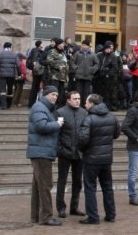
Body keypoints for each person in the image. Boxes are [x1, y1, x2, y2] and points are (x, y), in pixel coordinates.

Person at [77, 94, 121, 225]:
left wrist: (81, 149)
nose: (84, 104)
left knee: (90, 188)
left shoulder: (88, 119)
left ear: (91, 104)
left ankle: (93, 216)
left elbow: (82, 139)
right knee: (107, 187)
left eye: (86, 102)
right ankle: (111, 214)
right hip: (106, 158)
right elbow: (117, 134)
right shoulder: (112, 117)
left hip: (91, 158)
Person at [26, 85, 64, 226]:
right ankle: (46, 217)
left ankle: (36, 216)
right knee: (45, 185)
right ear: (45, 95)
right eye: (52, 94)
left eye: (56, 94)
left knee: (38, 185)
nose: (55, 97)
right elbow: (41, 126)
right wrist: (57, 124)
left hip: (41, 151)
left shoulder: (42, 108)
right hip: (41, 152)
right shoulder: (40, 108)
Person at [54, 91, 87, 219]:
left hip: (79, 152)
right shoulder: (60, 112)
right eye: (74, 99)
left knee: (77, 181)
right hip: (65, 151)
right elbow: (56, 133)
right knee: (62, 180)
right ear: (68, 100)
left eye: (79, 98)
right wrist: (60, 148)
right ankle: (61, 207)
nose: (77, 101)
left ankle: (74, 206)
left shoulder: (83, 112)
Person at [69, 40, 99, 108]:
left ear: (88, 46)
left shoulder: (93, 54)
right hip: (79, 76)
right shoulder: (77, 53)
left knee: (86, 93)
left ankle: (85, 106)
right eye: (82, 45)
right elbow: (72, 62)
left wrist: (92, 70)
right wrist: (76, 68)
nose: (83, 46)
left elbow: (97, 64)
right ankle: (78, 106)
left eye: (85, 45)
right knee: (78, 92)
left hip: (88, 76)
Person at [45, 39, 69, 108]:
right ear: (59, 44)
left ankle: (59, 107)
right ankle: (52, 107)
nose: (63, 45)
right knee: (54, 92)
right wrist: (57, 66)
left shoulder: (63, 53)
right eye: (62, 44)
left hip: (62, 77)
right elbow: (49, 61)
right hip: (55, 76)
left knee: (61, 94)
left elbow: (65, 62)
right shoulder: (53, 51)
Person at [0, 42, 20, 110]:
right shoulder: (14, 55)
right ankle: (9, 104)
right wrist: (19, 73)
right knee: (10, 89)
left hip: (2, 75)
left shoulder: (0, 55)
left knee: (2, 90)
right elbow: (18, 65)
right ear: (10, 47)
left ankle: (3, 105)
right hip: (11, 75)